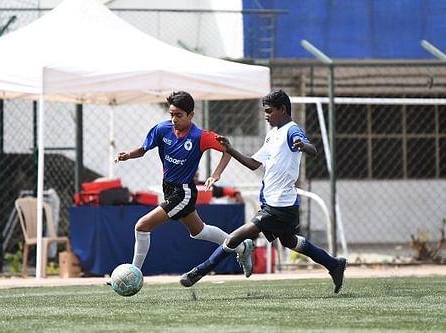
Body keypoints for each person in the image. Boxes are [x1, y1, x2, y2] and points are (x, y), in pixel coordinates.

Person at [180, 90, 347, 293]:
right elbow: (253, 163)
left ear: (282, 110)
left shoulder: (291, 131)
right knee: (289, 241)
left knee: (235, 237)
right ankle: (333, 264)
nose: (265, 115)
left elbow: (312, 149)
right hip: (277, 203)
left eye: (269, 111)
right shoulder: (272, 135)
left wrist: (304, 145)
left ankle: (198, 272)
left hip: (279, 206)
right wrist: (230, 150)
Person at [115, 91, 253, 276]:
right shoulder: (161, 129)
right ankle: (242, 247)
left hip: (183, 192)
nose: (173, 119)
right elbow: (143, 148)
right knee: (199, 231)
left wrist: (216, 174)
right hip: (168, 188)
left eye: (178, 115)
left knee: (142, 226)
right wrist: (128, 155)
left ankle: (133, 274)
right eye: (171, 114)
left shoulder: (199, 136)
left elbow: (227, 149)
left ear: (191, 115)